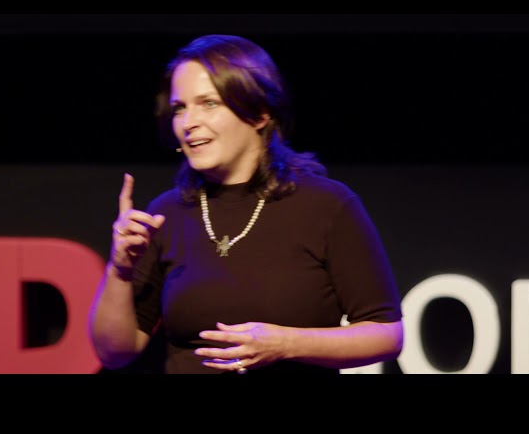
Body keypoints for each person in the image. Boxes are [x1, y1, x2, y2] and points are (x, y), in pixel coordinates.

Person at [88, 34, 404, 374]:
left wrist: (287, 344)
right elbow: (113, 353)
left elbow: (386, 334)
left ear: (259, 113)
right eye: (180, 108)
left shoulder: (326, 205)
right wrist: (119, 270)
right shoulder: (166, 214)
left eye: (209, 103)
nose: (188, 123)